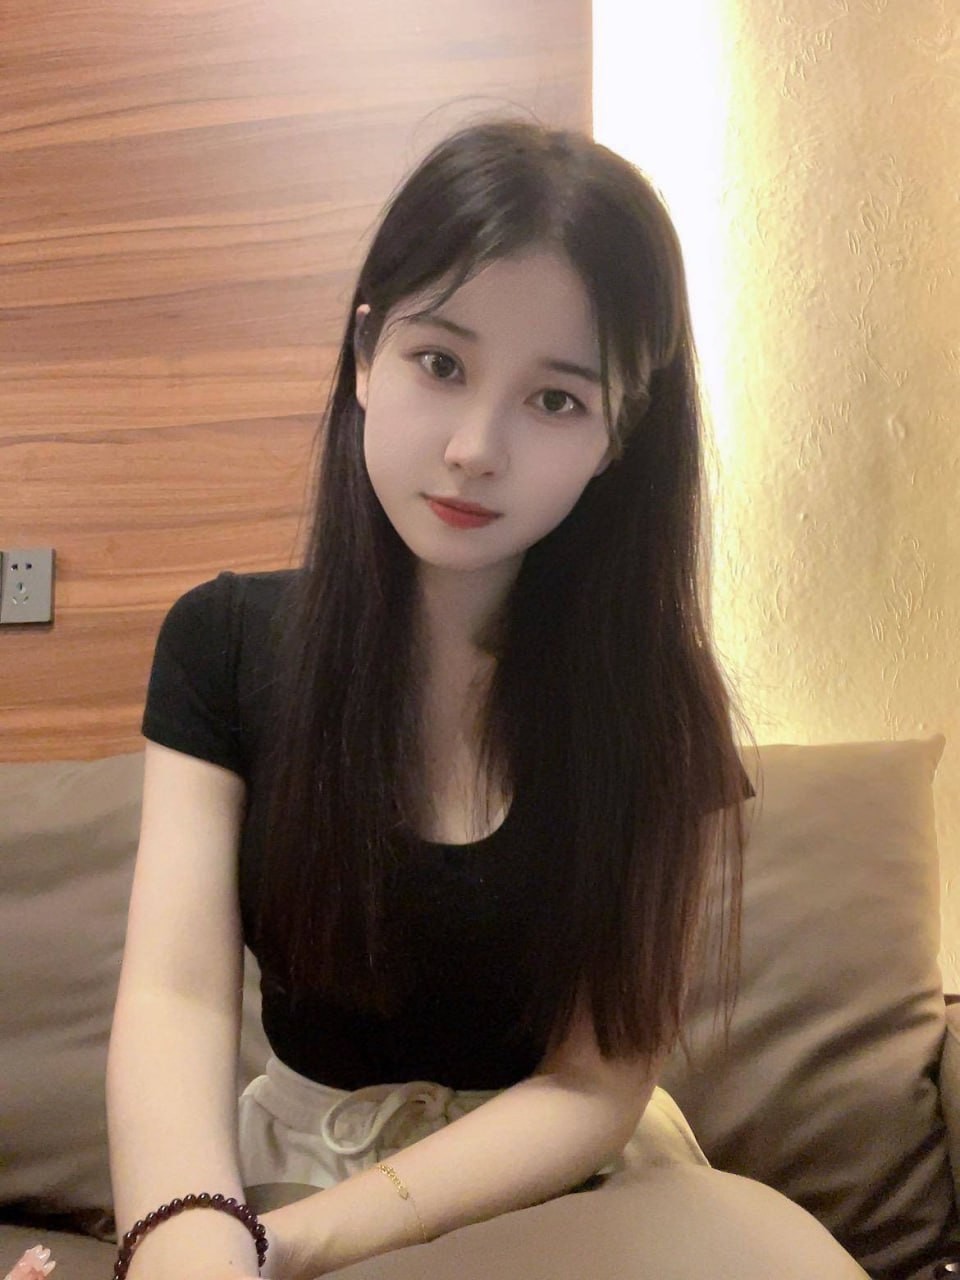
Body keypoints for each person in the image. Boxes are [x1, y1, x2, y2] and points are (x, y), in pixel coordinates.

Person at [106, 117, 866, 1280]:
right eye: (442, 363)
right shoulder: (222, 642)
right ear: (367, 354)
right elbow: (176, 996)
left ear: (617, 437)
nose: (474, 447)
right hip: (290, 1167)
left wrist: (299, 1241)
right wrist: (190, 1235)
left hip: (559, 1188)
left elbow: (597, 1080)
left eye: (555, 400)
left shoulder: (660, 705)